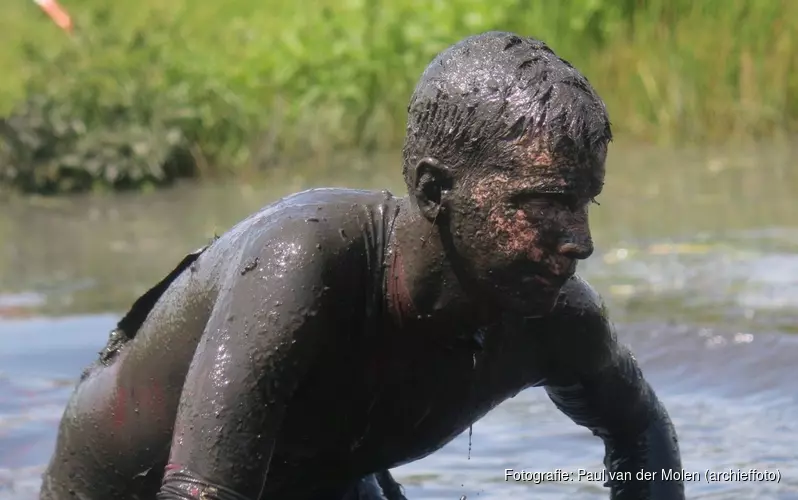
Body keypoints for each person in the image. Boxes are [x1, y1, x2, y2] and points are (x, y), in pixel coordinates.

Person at [41, 31, 685, 500]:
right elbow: (200, 491)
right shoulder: (305, 263)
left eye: (584, 203)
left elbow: (642, 431)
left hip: (327, 475)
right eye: (544, 204)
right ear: (434, 192)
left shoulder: (556, 315)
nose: (580, 240)